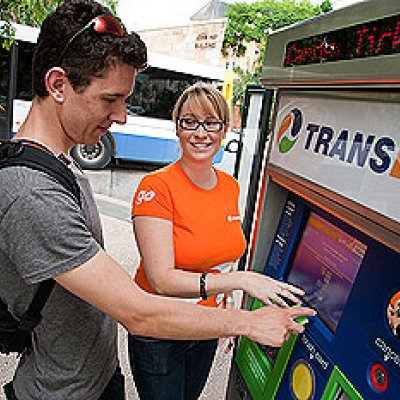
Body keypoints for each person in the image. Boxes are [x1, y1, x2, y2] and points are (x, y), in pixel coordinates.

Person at [0, 1, 315, 399]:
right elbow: (139, 312)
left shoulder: (61, 164)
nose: (121, 117)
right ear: (58, 85)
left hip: (92, 379)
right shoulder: (33, 194)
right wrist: (247, 323)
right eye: (109, 99)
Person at [129, 82, 309, 400]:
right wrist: (241, 283)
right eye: (190, 122)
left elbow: (222, 257)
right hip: (161, 329)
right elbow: (160, 280)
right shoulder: (156, 187)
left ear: (225, 129)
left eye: (211, 123)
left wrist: (226, 313)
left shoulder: (230, 186)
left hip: (207, 325)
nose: (201, 133)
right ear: (178, 127)